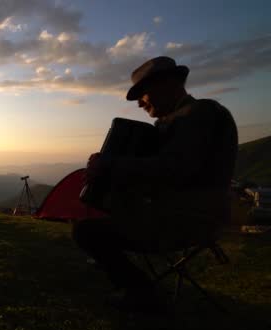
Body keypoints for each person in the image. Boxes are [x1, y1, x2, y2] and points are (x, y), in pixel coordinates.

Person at [72, 56, 238, 313]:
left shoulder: (199, 114)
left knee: (86, 231)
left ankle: (143, 294)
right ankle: (117, 265)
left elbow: (174, 169)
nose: (139, 102)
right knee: (99, 209)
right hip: (179, 212)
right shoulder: (177, 120)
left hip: (190, 218)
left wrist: (110, 164)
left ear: (165, 84)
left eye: (143, 93)